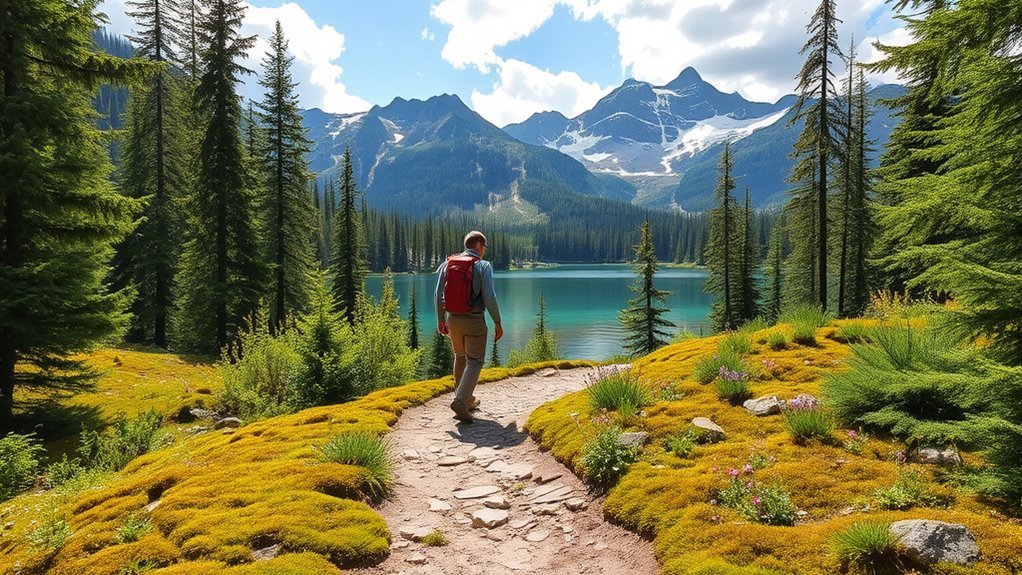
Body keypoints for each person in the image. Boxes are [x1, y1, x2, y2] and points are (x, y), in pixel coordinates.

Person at [435, 231, 503, 423]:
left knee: (460, 357)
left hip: (453, 320)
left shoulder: (448, 264)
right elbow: (489, 297)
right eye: (485, 247)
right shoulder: (483, 266)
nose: (485, 251)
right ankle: (460, 400)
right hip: (474, 320)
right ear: (479, 245)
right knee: (475, 361)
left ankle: (468, 399)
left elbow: (437, 294)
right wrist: (497, 322)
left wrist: (441, 320)